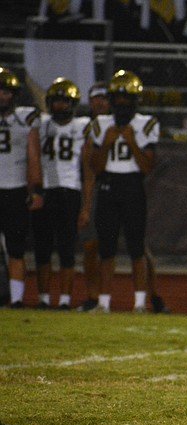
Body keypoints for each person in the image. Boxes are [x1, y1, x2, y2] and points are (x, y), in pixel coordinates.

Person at [78, 81, 169, 313]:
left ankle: (139, 303)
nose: (122, 107)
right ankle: (104, 302)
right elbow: (95, 168)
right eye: (118, 101)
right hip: (108, 186)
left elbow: (147, 167)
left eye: (126, 102)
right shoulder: (100, 125)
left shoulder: (145, 124)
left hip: (132, 186)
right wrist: (107, 144)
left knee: (136, 248)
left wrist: (130, 141)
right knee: (106, 249)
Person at [31, 77, 93, 310]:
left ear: (73, 104)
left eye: (65, 102)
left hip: (69, 190)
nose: (60, 106)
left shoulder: (82, 126)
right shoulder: (41, 123)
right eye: (56, 101)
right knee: (42, 247)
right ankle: (44, 298)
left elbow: (87, 169)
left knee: (67, 248)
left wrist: (86, 205)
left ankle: (65, 299)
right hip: (45, 190)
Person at [0, 67, 43, 309]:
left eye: (5, 92)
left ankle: (16, 300)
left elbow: (33, 156)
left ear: (14, 95)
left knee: (15, 249)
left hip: (15, 189)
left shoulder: (26, 118)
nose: (1, 96)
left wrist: (35, 189)